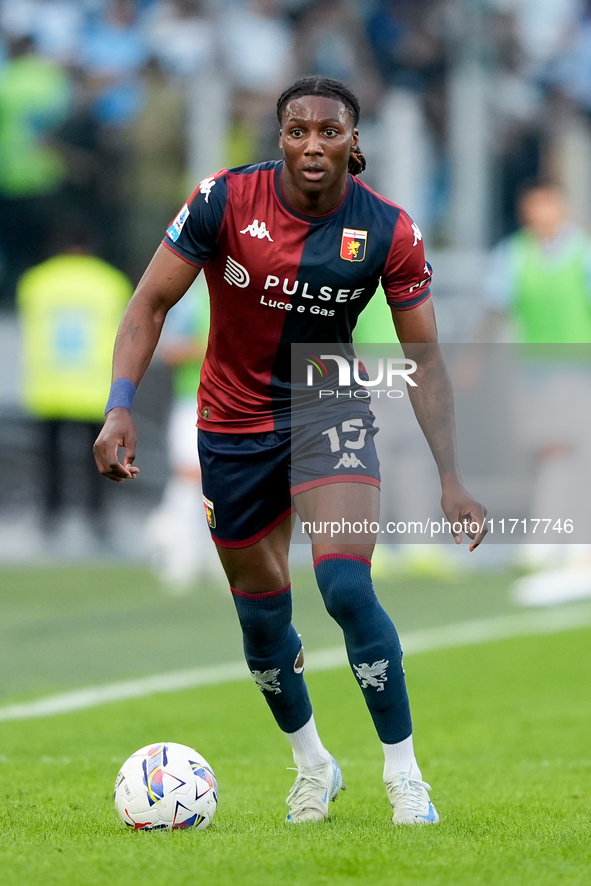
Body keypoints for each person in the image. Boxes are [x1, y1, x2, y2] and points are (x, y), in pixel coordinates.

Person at [94, 75, 487, 825]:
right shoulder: (221, 201)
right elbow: (149, 302)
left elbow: (425, 359)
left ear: (353, 141)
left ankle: (404, 776)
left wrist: (450, 476)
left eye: (328, 131)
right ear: (279, 136)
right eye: (297, 130)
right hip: (230, 427)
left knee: (344, 587)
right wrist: (119, 406)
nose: (312, 144)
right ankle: (313, 765)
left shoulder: (388, 232)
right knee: (262, 621)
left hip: (324, 407)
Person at [480, 180, 591, 597]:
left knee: (583, 458)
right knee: (552, 454)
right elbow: (494, 306)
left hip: (581, 371)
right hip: (535, 373)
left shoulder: (583, 254)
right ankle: (549, 537)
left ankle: (579, 543)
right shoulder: (515, 254)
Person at [18, 232, 133, 537]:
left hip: (49, 385)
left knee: (49, 458)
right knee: (98, 458)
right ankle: (97, 519)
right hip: (94, 387)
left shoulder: (36, 281)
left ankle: (49, 517)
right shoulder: (111, 282)